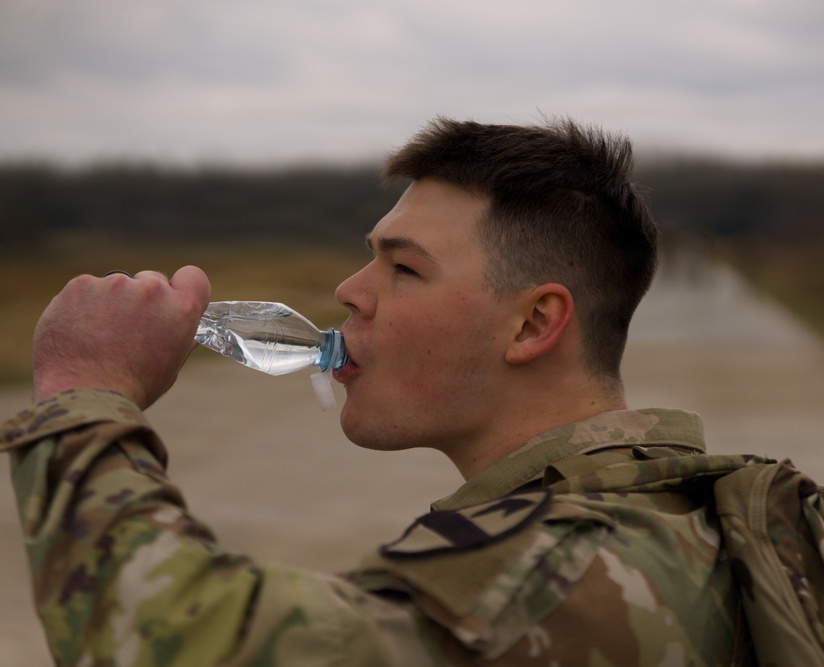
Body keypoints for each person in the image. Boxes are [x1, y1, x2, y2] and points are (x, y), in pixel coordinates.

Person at [2, 118, 746, 665]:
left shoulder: (553, 575)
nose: (350, 292)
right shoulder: (684, 510)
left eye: (405, 268)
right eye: (369, 259)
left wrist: (84, 389)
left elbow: (178, 639)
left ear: (533, 323)